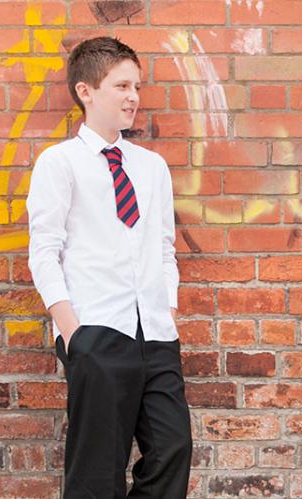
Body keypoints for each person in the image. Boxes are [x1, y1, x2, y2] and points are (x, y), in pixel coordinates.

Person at [27, 37, 191, 498]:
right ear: (86, 91)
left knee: (172, 449)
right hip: (96, 332)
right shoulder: (60, 164)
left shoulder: (151, 167)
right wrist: (74, 334)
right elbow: (44, 251)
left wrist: (168, 313)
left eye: (136, 86)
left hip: (156, 335)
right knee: (96, 471)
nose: (133, 97)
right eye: (121, 85)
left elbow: (164, 248)